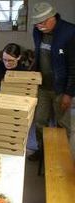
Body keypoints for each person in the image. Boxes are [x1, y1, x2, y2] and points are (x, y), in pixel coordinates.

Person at [28, 2, 75, 162]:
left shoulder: (70, 32)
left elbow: (74, 67)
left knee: (63, 124)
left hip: (60, 88)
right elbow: (40, 55)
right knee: (40, 122)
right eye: (36, 23)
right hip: (42, 86)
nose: (39, 26)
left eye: (43, 22)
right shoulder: (37, 31)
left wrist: (69, 94)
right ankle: (42, 151)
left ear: (53, 17)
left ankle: (63, 157)